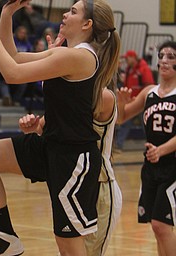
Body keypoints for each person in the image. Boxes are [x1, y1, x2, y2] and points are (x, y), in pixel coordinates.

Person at [0, 0, 120, 255]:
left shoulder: (79, 56)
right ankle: (6, 238)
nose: (64, 14)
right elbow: (13, 57)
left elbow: (12, 73)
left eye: (72, 11)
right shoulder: (65, 52)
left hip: (72, 159)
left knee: (68, 246)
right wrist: (7, 14)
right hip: (50, 145)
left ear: (87, 24)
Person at [19, 87, 122, 256]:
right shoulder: (71, 94)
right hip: (71, 183)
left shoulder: (101, 96)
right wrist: (34, 126)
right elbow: (44, 129)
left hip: (98, 187)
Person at [117, 40, 176, 256]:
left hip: (173, 166)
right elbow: (121, 118)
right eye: (162, 56)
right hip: (151, 166)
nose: (164, 60)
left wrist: (161, 150)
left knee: (161, 225)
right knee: (157, 226)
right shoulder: (149, 92)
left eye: (171, 57)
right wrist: (121, 101)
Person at [115, 49, 155, 151]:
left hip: (142, 102)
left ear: (133, 57)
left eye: (127, 58)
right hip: (131, 101)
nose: (126, 60)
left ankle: (152, 144)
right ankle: (118, 145)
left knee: (146, 125)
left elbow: (149, 85)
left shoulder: (143, 68)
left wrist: (141, 97)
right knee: (124, 123)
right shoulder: (129, 69)